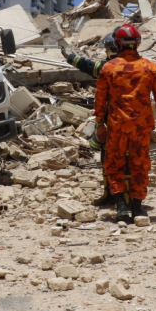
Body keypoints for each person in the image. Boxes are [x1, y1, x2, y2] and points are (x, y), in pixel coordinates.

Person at [94, 24, 156, 222]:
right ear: (137, 43)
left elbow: (100, 100)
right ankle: (137, 207)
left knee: (114, 164)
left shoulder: (108, 68)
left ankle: (120, 206)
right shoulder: (151, 67)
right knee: (140, 164)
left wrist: (99, 125)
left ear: (118, 43)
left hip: (116, 126)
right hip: (141, 127)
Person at [61, 31, 121, 206]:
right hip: (130, 123)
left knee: (113, 160)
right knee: (118, 159)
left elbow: (89, 66)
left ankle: (119, 197)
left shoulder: (109, 67)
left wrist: (71, 57)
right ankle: (117, 195)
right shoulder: (136, 65)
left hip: (115, 122)